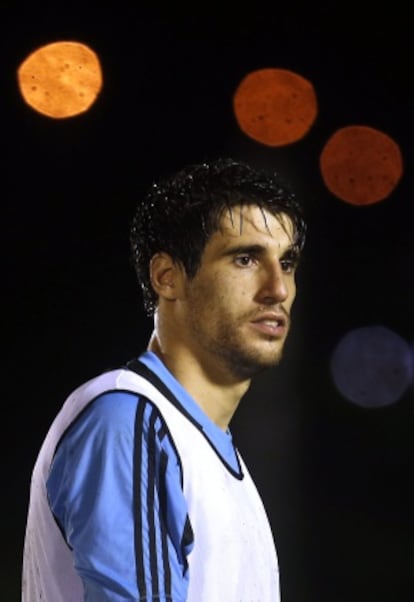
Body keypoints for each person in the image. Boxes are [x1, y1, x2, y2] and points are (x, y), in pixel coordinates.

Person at [22, 156, 307, 602]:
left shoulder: (208, 453)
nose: (279, 288)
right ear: (167, 277)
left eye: (286, 262)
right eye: (246, 259)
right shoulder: (129, 420)